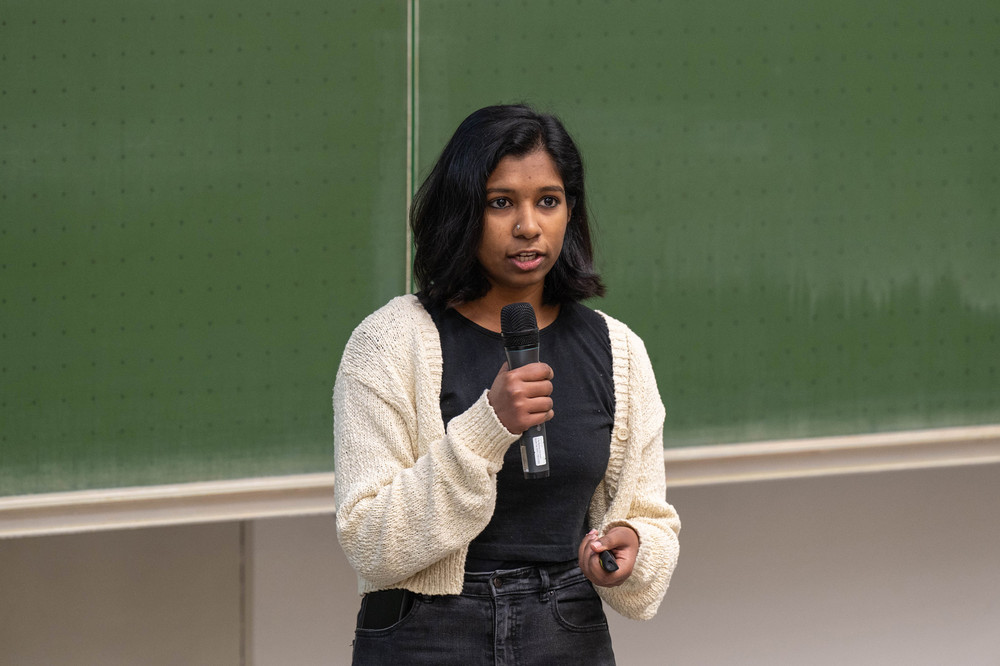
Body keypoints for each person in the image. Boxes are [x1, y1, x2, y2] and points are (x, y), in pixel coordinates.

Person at [333, 104, 680, 664]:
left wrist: (631, 548)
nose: (528, 226)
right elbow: (369, 541)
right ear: (462, 210)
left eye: (548, 201)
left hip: (566, 626)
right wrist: (487, 427)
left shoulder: (617, 350)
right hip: (427, 631)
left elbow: (649, 517)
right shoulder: (389, 342)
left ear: (570, 210)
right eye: (501, 202)